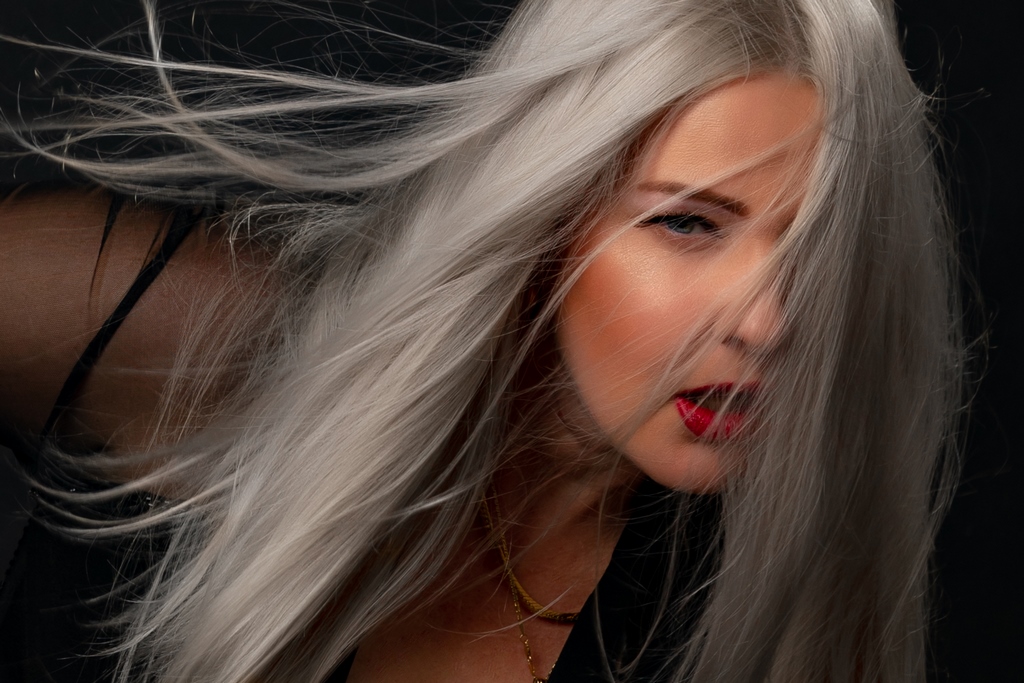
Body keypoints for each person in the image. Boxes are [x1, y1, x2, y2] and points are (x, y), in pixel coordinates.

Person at [0, 0, 964, 681]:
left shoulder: (751, 615)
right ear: (551, 211)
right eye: (688, 224)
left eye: (819, 253)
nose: (769, 323)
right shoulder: (193, 338)